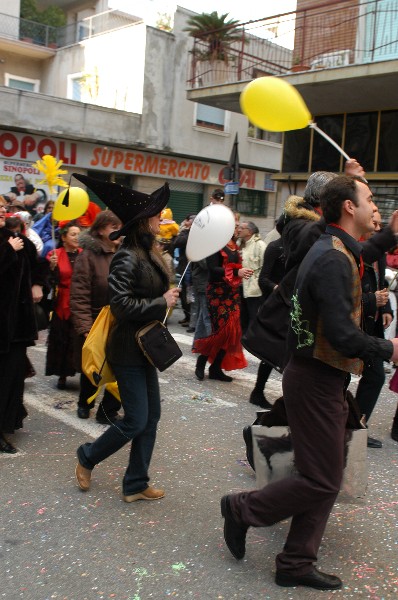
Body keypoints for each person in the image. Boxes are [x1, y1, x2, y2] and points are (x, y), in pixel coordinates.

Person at [220, 175, 398, 590]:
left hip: (323, 377)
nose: (376, 206)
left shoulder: (337, 246)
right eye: (370, 199)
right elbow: (341, 335)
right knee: (321, 479)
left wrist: (389, 233)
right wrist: (390, 350)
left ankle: (296, 562)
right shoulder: (332, 257)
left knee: (326, 475)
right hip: (315, 378)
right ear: (349, 208)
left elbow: (365, 248)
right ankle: (242, 509)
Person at [73, 175, 180, 502]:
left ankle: (135, 482)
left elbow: (151, 298)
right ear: (141, 222)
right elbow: (120, 305)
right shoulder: (126, 256)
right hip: (127, 349)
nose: (161, 219)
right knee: (135, 419)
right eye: (156, 215)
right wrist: (162, 300)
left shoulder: (150, 253)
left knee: (152, 417)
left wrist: (167, 298)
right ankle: (88, 455)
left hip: (146, 348)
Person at [70, 211, 122, 424]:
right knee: (94, 368)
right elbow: (79, 294)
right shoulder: (88, 256)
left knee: (119, 367)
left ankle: (108, 410)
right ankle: (85, 403)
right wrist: (85, 327)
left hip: (120, 320)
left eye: (119, 226)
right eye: (112, 227)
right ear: (100, 230)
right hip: (95, 321)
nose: (118, 231)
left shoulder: (123, 253)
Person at [0, 208, 46, 452]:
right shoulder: (10, 244)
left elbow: (37, 263)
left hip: (17, 325)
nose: (0, 211)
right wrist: (8, 251)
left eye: (1, 208)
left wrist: (39, 281)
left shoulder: (16, 238)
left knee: (13, 377)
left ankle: (8, 421)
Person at [193, 224, 252, 382]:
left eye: (238, 226)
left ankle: (215, 368)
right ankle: (201, 363)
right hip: (217, 294)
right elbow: (213, 269)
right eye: (235, 226)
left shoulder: (234, 246)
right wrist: (236, 272)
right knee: (219, 332)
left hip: (231, 293)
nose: (238, 229)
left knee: (231, 332)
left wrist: (242, 272)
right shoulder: (215, 245)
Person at [354, 211, 393, 448]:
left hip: (372, 325)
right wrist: (371, 300)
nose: (377, 228)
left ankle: (357, 426)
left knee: (376, 376)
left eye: (380, 225)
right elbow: (342, 296)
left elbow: (382, 284)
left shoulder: (377, 252)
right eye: (374, 222)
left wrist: (386, 306)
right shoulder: (349, 251)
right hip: (351, 327)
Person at [248, 237, 285, 408]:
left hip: (292, 305)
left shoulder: (301, 247)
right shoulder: (276, 246)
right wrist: (278, 289)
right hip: (275, 306)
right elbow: (263, 279)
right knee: (271, 351)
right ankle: (258, 391)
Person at [45, 221, 82, 389]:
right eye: (73, 234)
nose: (77, 237)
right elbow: (47, 280)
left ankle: (81, 370)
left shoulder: (85, 254)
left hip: (80, 302)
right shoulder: (55, 254)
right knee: (61, 338)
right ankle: (61, 374)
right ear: (64, 237)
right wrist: (52, 267)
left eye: (79, 234)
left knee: (79, 339)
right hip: (61, 302)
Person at [237, 221, 266, 334]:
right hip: (239, 286)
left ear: (249, 231)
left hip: (253, 289)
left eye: (241, 228)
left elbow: (264, 266)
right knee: (242, 314)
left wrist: (257, 282)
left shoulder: (260, 245)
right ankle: (243, 338)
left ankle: (253, 340)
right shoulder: (239, 243)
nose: (238, 230)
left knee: (253, 315)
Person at [173, 215, 196, 327]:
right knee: (183, 295)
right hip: (184, 267)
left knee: (190, 295)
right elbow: (177, 242)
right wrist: (189, 232)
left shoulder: (199, 234)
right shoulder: (185, 233)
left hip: (194, 269)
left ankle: (191, 318)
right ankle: (187, 316)